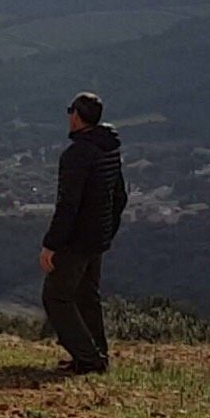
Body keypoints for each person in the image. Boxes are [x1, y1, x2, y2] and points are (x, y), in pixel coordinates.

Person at [39, 91, 127, 374]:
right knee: (87, 297)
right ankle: (96, 354)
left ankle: (88, 358)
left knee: (56, 297)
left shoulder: (77, 155)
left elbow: (68, 205)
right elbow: (120, 196)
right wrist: (107, 230)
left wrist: (50, 244)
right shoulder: (109, 148)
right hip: (98, 237)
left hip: (77, 240)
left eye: (69, 111)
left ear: (76, 116)